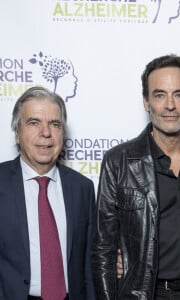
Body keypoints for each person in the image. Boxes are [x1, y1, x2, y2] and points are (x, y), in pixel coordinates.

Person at [91, 54, 180, 299]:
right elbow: (103, 249)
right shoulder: (119, 161)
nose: (170, 105)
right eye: (159, 95)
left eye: (179, 94)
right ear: (146, 102)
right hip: (145, 293)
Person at [0, 87, 96, 300]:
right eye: (34, 123)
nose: (46, 133)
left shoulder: (83, 188)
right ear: (17, 133)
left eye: (55, 124)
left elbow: (89, 266)